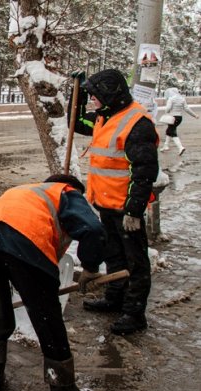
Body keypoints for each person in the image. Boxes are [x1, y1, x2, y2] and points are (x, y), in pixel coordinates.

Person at [0, 174, 106, 391]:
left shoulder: (29, 192)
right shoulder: (66, 191)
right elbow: (93, 228)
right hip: (23, 236)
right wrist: (91, 268)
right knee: (47, 317)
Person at [70, 69, 159, 335]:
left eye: (96, 95)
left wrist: (134, 210)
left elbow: (144, 171)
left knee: (135, 262)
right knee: (114, 255)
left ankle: (134, 313)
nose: (92, 101)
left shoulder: (137, 123)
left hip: (125, 208)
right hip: (105, 203)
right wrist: (79, 92)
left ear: (110, 94)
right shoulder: (103, 117)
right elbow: (75, 123)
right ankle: (115, 298)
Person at [160, 87, 199, 155]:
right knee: (170, 130)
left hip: (172, 117)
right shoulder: (182, 99)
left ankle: (180, 147)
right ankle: (165, 146)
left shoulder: (171, 99)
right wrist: (195, 115)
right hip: (179, 118)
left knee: (172, 132)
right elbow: (187, 109)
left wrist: (167, 111)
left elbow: (168, 109)